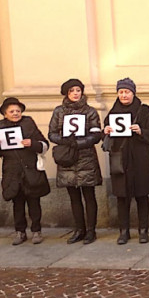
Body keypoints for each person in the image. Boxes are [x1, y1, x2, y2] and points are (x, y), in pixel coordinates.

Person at [103, 78, 149, 245]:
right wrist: (106, 131)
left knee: (142, 196)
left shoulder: (143, 110)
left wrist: (141, 131)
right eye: (121, 92)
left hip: (140, 160)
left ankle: (143, 230)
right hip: (120, 161)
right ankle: (124, 231)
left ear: (133, 93)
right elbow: (105, 136)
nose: (124, 95)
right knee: (122, 197)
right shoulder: (113, 112)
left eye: (127, 92)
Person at [0, 97, 51, 245]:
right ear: (5, 114)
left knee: (34, 203)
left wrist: (32, 144)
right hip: (12, 173)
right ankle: (20, 231)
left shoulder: (28, 123)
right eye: (12, 111)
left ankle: (36, 230)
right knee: (17, 204)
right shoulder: (1, 126)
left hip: (30, 171)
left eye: (18, 110)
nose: (16, 113)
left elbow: (44, 145)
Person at [48, 79, 103, 244]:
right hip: (67, 158)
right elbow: (51, 133)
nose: (75, 93)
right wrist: (66, 141)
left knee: (89, 195)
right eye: (72, 91)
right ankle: (79, 229)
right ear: (66, 93)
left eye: (78, 90)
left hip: (86, 157)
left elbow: (96, 134)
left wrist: (78, 143)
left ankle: (91, 230)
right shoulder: (59, 112)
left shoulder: (90, 111)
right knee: (74, 197)